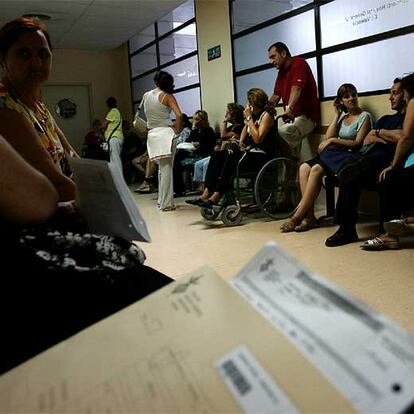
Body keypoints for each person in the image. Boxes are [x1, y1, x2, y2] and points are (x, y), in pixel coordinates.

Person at [0, 133, 172, 373]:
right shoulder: (10, 110)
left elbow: (71, 162)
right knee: (148, 290)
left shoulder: (38, 112)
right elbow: (40, 196)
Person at [0, 17, 77, 201]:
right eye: (24, 54)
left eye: (43, 54)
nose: (36, 63)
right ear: (3, 61)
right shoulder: (4, 107)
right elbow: (54, 182)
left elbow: (72, 155)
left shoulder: (38, 107)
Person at [325, 78, 407, 247]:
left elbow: (402, 137)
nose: (390, 97)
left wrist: (379, 133)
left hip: (387, 161)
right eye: (390, 93)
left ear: (406, 95)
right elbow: (366, 140)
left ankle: (346, 229)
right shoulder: (385, 118)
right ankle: (346, 230)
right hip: (367, 158)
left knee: (352, 171)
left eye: (395, 93)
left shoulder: (408, 118)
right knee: (346, 168)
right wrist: (383, 135)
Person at [280, 83, 372, 232]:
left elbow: (356, 143)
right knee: (303, 167)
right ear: (341, 101)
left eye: (354, 94)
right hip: (334, 154)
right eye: (346, 96)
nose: (351, 98)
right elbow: (329, 135)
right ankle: (309, 217)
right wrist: (337, 115)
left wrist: (333, 140)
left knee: (316, 168)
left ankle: (297, 217)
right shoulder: (343, 118)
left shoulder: (365, 116)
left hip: (348, 157)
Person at [359, 73, 414, 250]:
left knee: (387, 179)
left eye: (401, 92)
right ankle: (405, 221)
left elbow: (405, 137)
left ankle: (390, 235)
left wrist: (393, 165)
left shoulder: (413, 102)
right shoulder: (386, 119)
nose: (402, 96)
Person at [196, 88, 276, 208]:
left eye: (248, 102)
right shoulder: (253, 116)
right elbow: (246, 129)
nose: (247, 105)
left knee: (231, 156)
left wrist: (249, 119)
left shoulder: (267, 116)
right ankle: (207, 191)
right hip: (249, 152)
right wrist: (240, 142)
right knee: (217, 155)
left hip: (261, 155)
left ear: (253, 103)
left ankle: (217, 195)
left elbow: (258, 138)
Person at [186, 103, 244, 206]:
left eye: (228, 112)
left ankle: (214, 195)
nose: (225, 113)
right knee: (215, 155)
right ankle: (206, 193)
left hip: (236, 154)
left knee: (214, 161)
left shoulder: (240, 127)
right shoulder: (232, 127)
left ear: (234, 114)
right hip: (226, 152)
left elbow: (223, 136)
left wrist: (225, 121)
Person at [268, 42, 320, 157]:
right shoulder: (281, 72)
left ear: (283, 53)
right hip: (291, 119)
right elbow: (276, 96)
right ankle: (291, 164)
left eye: (273, 57)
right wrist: (263, 111)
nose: (271, 62)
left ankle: (290, 161)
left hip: (306, 117)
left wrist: (288, 109)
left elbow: (296, 88)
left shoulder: (299, 63)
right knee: (285, 149)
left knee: (281, 133)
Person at [141, 70, 183, 211]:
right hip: (166, 133)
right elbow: (179, 115)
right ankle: (166, 203)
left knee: (160, 168)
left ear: (156, 82)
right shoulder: (167, 96)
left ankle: (161, 200)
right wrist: (177, 130)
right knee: (167, 169)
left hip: (152, 134)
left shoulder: (146, 96)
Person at [174, 110, 216, 196]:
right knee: (176, 162)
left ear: (203, 120)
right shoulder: (196, 130)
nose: (195, 121)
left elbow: (207, 145)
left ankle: (203, 189)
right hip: (194, 152)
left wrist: (198, 144)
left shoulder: (208, 130)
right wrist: (193, 128)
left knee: (180, 162)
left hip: (203, 154)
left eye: (197, 119)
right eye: (193, 119)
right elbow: (189, 140)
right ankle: (179, 189)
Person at [102, 96, 124, 173]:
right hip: (117, 137)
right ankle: (116, 179)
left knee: (115, 160)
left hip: (114, 138)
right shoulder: (116, 112)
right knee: (114, 159)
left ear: (108, 105)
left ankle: (119, 179)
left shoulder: (113, 111)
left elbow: (104, 125)